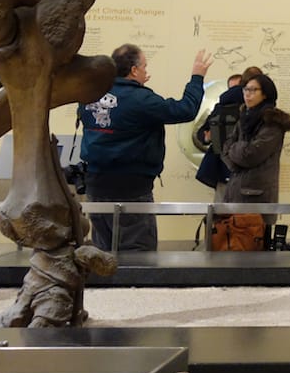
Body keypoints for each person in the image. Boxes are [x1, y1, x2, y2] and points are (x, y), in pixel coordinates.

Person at [79, 44, 214, 251]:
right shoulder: (141, 100)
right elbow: (184, 110)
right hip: (131, 188)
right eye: (144, 67)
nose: (146, 71)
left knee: (102, 252)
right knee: (138, 253)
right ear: (134, 70)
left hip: (95, 186)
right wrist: (197, 77)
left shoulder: (91, 95)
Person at [220, 73, 290, 231]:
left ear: (265, 93)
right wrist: (236, 161)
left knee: (254, 242)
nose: (247, 94)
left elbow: (251, 155)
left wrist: (236, 150)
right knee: (231, 241)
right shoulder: (243, 118)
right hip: (234, 191)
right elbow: (225, 148)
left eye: (253, 90)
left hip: (256, 196)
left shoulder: (272, 123)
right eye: (245, 89)